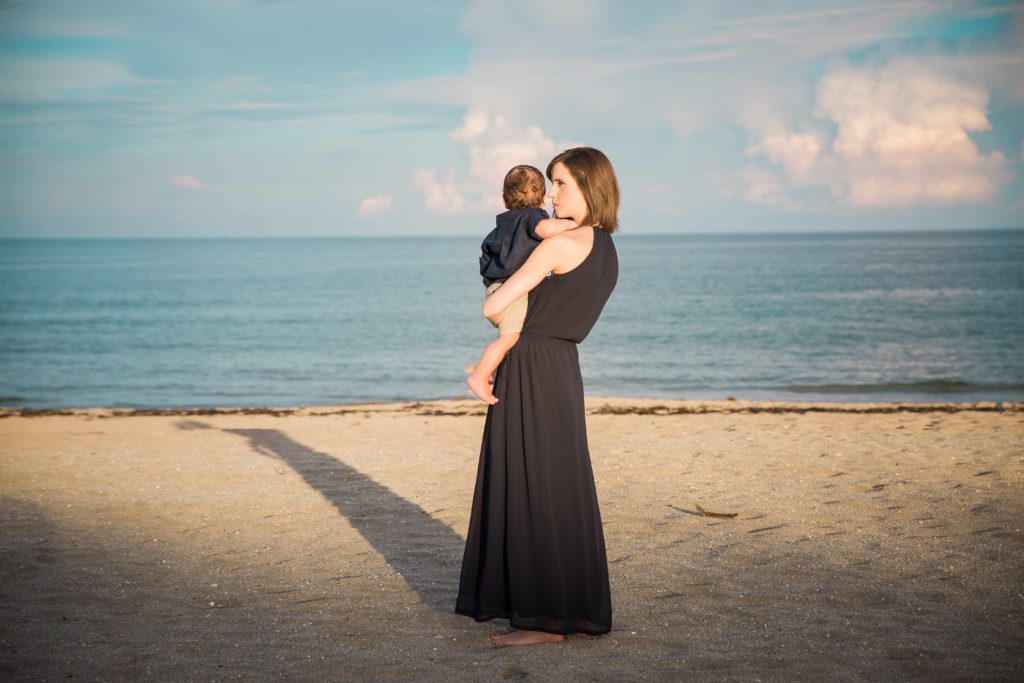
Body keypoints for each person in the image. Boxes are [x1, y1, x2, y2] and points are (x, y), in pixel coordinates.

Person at [455, 147, 620, 648]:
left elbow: (495, 306)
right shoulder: (607, 249)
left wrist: (496, 299)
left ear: (589, 187)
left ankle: (542, 622)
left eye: (562, 183)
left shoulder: (559, 245)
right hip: (563, 366)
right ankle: (560, 609)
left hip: (530, 364)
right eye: (550, 182)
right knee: (560, 485)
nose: (552, 193)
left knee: (528, 483)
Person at [467, 165, 578, 405]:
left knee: (510, 337)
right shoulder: (533, 217)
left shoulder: (504, 221)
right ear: (542, 198)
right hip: (511, 291)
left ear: (505, 199)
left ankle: (495, 372)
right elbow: (546, 229)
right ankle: (479, 375)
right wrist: (574, 224)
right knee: (509, 339)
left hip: (495, 288)